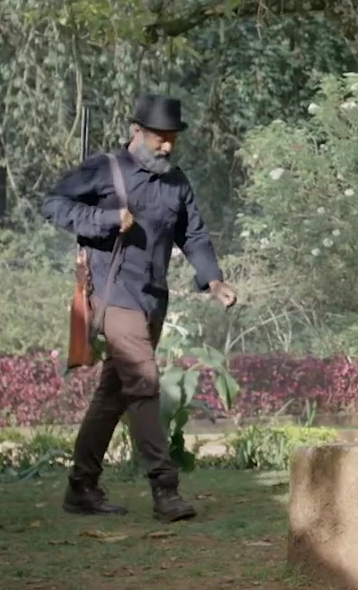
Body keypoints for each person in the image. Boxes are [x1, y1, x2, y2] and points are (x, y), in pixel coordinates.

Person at [42, 94, 237, 523]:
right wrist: (106, 221)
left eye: (171, 138)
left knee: (114, 393)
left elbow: (194, 235)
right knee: (145, 382)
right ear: (136, 132)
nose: (166, 145)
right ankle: (165, 489)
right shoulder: (104, 169)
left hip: (152, 299)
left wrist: (214, 280)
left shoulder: (176, 183)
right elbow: (53, 203)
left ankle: (81, 487)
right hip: (113, 296)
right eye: (158, 137)